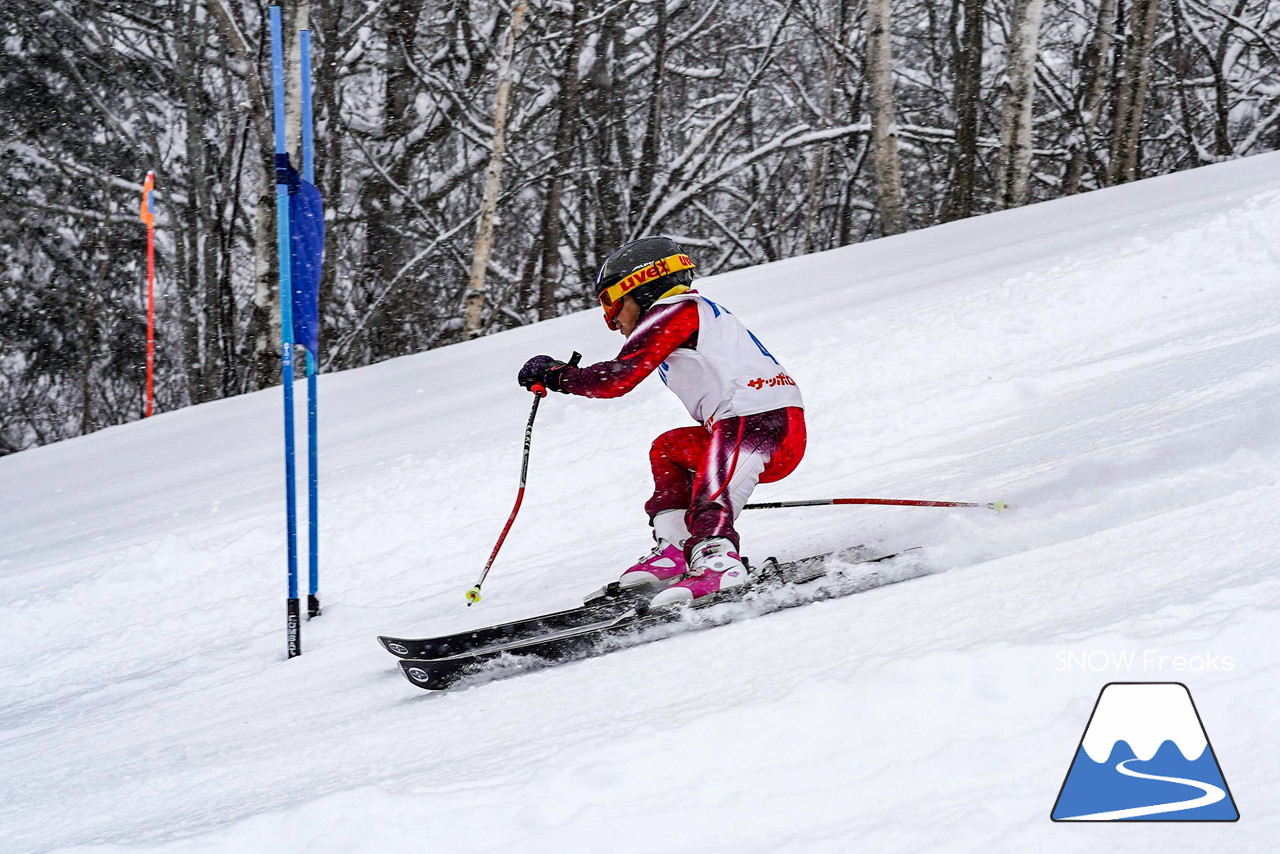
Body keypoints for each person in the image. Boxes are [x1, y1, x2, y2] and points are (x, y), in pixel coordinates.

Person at [518, 236, 805, 606]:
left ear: (640, 286)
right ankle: (676, 549)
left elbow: (618, 378)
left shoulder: (676, 309)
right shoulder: (685, 315)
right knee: (669, 449)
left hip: (760, 423)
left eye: (610, 304)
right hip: (747, 425)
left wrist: (558, 375)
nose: (611, 320)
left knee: (711, 496)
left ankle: (718, 561)